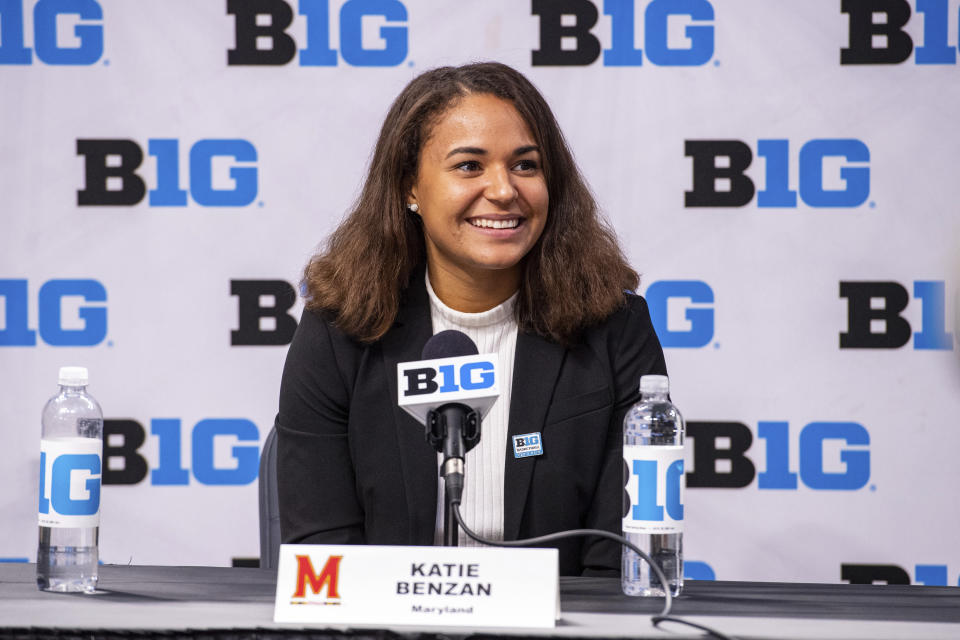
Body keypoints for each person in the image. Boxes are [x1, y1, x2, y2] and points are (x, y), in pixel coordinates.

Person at [276, 62, 667, 576]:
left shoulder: (615, 328)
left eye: (526, 165)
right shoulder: (339, 330)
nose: (504, 190)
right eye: (469, 166)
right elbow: (323, 554)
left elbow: (624, 557)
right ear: (409, 188)